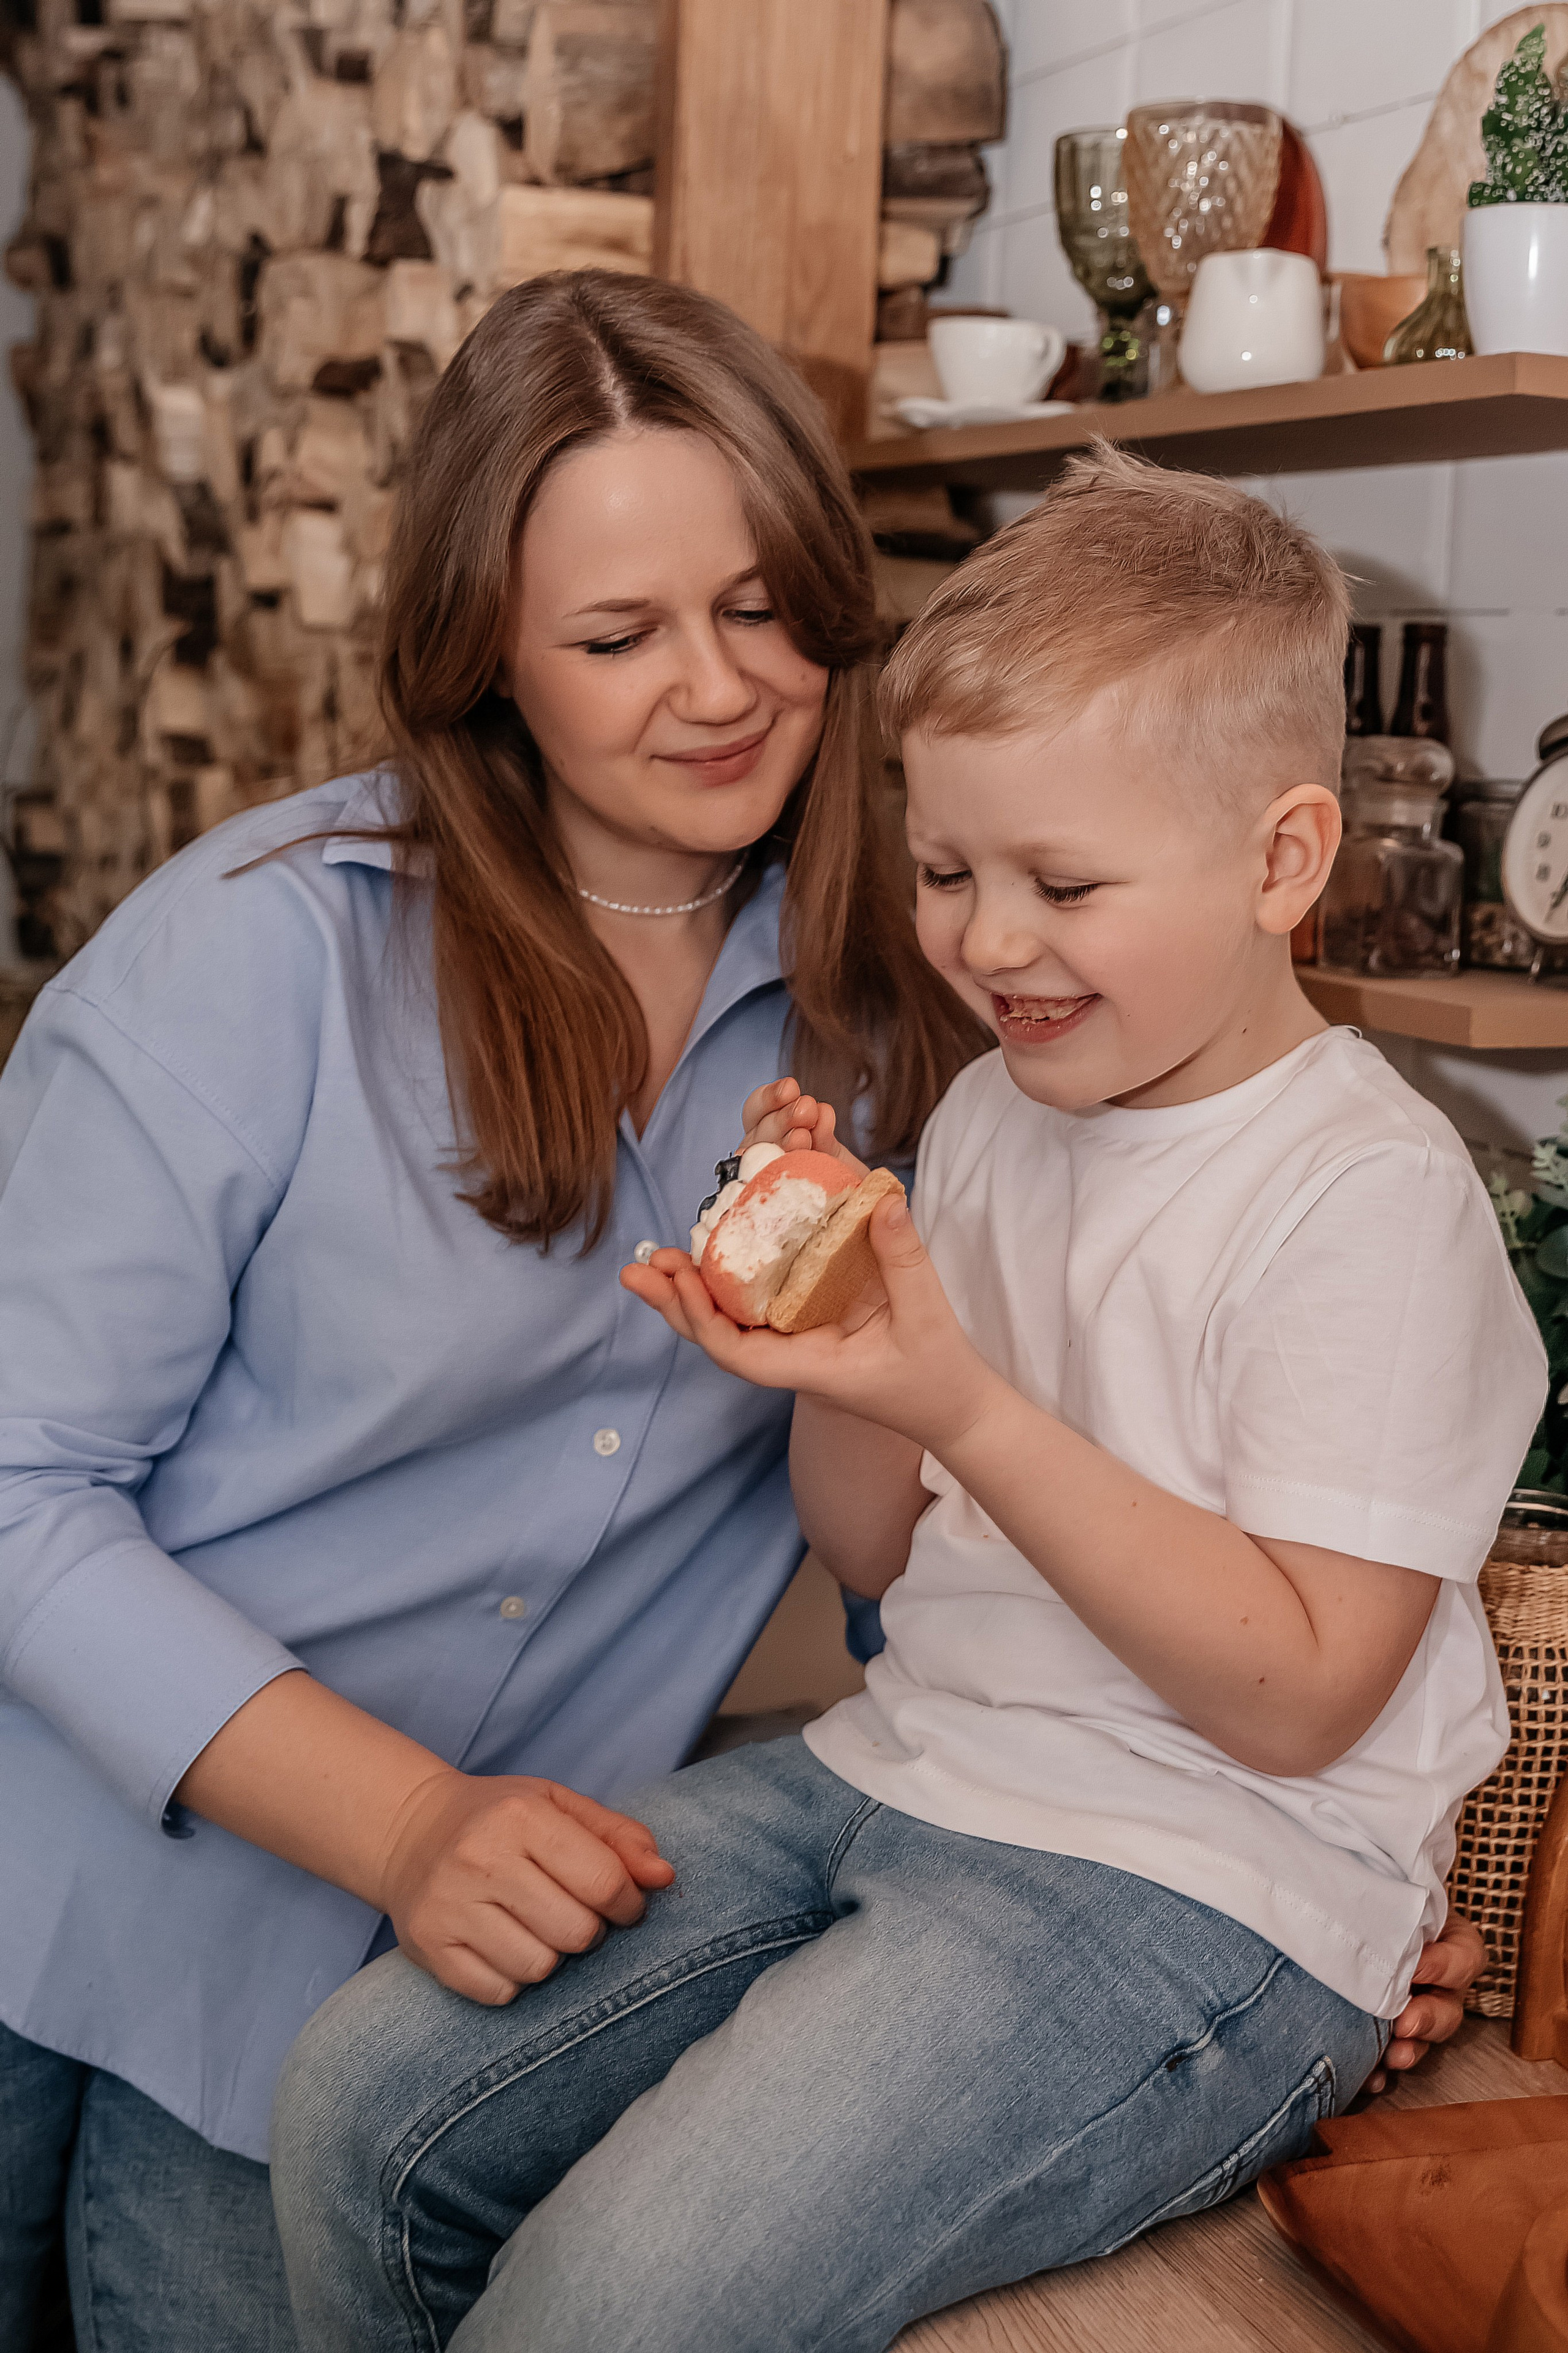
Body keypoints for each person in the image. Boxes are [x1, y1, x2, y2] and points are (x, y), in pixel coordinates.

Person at [269, 450, 1535, 2353]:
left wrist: (965, 1399)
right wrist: (847, 1339)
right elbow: (867, 1542)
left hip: (1206, 1886)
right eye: (949, 872)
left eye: (1063, 884)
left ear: (1284, 861)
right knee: (361, 2104)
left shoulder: (1369, 1195)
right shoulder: (995, 1114)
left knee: (618, 2301)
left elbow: (1298, 1697)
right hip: (903, 1766)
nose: (988, 941)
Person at [0, 272, 986, 2351]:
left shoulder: (901, 1016)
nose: (718, 688)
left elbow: (934, 1526)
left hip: (430, 2010)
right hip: (68, 1888)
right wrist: (407, 1819)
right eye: (619, 637)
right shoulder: (252, 959)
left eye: (761, 607)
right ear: (489, 662)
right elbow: (13, 1487)